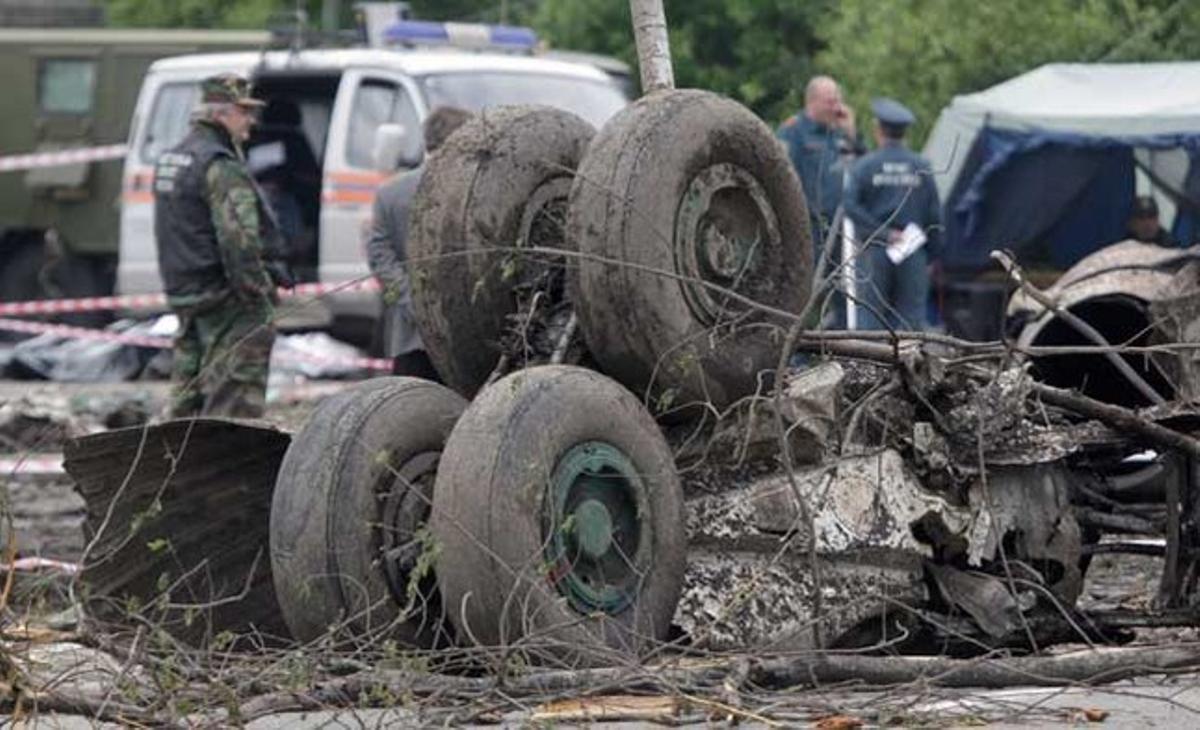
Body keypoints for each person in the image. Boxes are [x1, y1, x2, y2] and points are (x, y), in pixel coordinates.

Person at [153, 73, 290, 418]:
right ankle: (228, 468)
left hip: (188, 294)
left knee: (186, 398)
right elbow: (238, 239)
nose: (251, 122)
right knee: (235, 397)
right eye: (244, 112)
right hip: (226, 300)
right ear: (222, 114)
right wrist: (258, 291)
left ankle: (179, 469)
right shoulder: (220, 165)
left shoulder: (174, 158)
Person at [366, 106, 472, 379]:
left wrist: (410, 302)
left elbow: (379, 257)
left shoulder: (390, 193)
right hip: (466, 339)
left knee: (411, 412)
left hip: (409, 336)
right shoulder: (474, 194)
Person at [844, 97, 942, 331]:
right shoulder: (921, 166)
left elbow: (848, 206)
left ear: (878, 129)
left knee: (871, 321)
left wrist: (885, 233)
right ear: (904, 132)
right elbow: (935, 216)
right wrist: (933, 255)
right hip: (913, 251)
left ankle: (872, 368)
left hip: (874, 250)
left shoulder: (865, 166)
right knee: (911, 323)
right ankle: (909, 367)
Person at [777, 75, 864, 253]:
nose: (837, 108)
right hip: (810, 228)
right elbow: (781, 179)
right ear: (812, 102)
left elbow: (865, 169)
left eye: (838, 102)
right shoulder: (793, 132)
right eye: (830, 102)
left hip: (843, 227)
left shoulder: (841, 131)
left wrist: (851, 134)